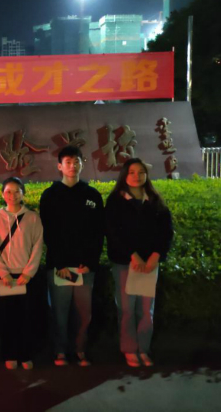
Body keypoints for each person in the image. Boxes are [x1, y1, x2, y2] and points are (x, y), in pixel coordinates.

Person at [39, 145, 104, 367]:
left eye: (76, 161)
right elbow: (48, 232)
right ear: (59, 166)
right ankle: (60, 351)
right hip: (60, 267)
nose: (72, 165)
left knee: (84, 313)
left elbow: (98, 233)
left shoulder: (92, 195)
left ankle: (80, 350)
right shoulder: (50, 195)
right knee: (60, 312)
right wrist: (59, 264)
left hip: (85, 267)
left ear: (82, 164)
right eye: (68, 162)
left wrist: (90, 262)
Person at [105, 158, 173, 368]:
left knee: (145, 310)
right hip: (125, 264)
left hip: (149, 265)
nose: (137, 176)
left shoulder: (154, 200)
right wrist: (133, 256)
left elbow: (166, 232)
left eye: (141, 172)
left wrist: (155, 256)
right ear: (124, 175)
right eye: (132, 172)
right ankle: (129, 349)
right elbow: (113, 232)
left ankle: (143, 348)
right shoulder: (115, 201)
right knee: (126, 309)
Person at [0, 177, 44, 370]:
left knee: (26, 317)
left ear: (23, 193)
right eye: (8, 191)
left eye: (17, 191)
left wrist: (28, 273)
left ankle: (25, 354)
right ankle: (9, 354)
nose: (12, 195)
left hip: (26, 277)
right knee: (7, 317)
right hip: (5, 277)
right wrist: (3, 273)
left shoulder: (33, 218)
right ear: (2, 194)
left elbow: (37, 246)